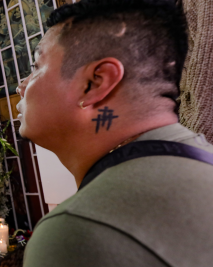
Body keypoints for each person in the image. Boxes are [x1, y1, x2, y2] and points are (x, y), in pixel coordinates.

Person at [17, 0, 213, 266]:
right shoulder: (202, 156)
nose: (21, 86)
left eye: (36, 66)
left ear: (95, 83)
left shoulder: (76, 232)